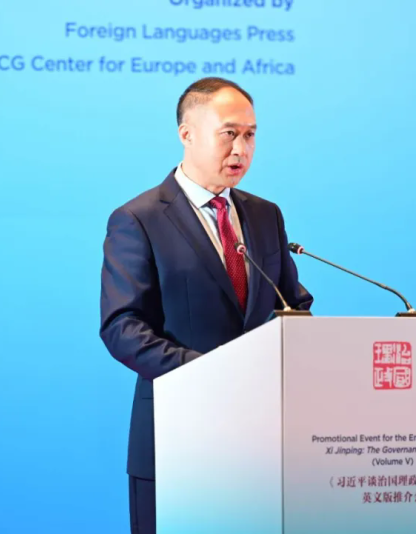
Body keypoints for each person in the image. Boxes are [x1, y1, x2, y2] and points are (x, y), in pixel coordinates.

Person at [99, 77, 313, 534]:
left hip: (263, 442)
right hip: (178, 435)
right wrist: (210, 375)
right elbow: (122, 326)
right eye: (229, 133)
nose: (241, 149)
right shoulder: (138, 219)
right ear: (187, 133)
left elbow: (292, 303)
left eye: (250, 135)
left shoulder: (265, 215)